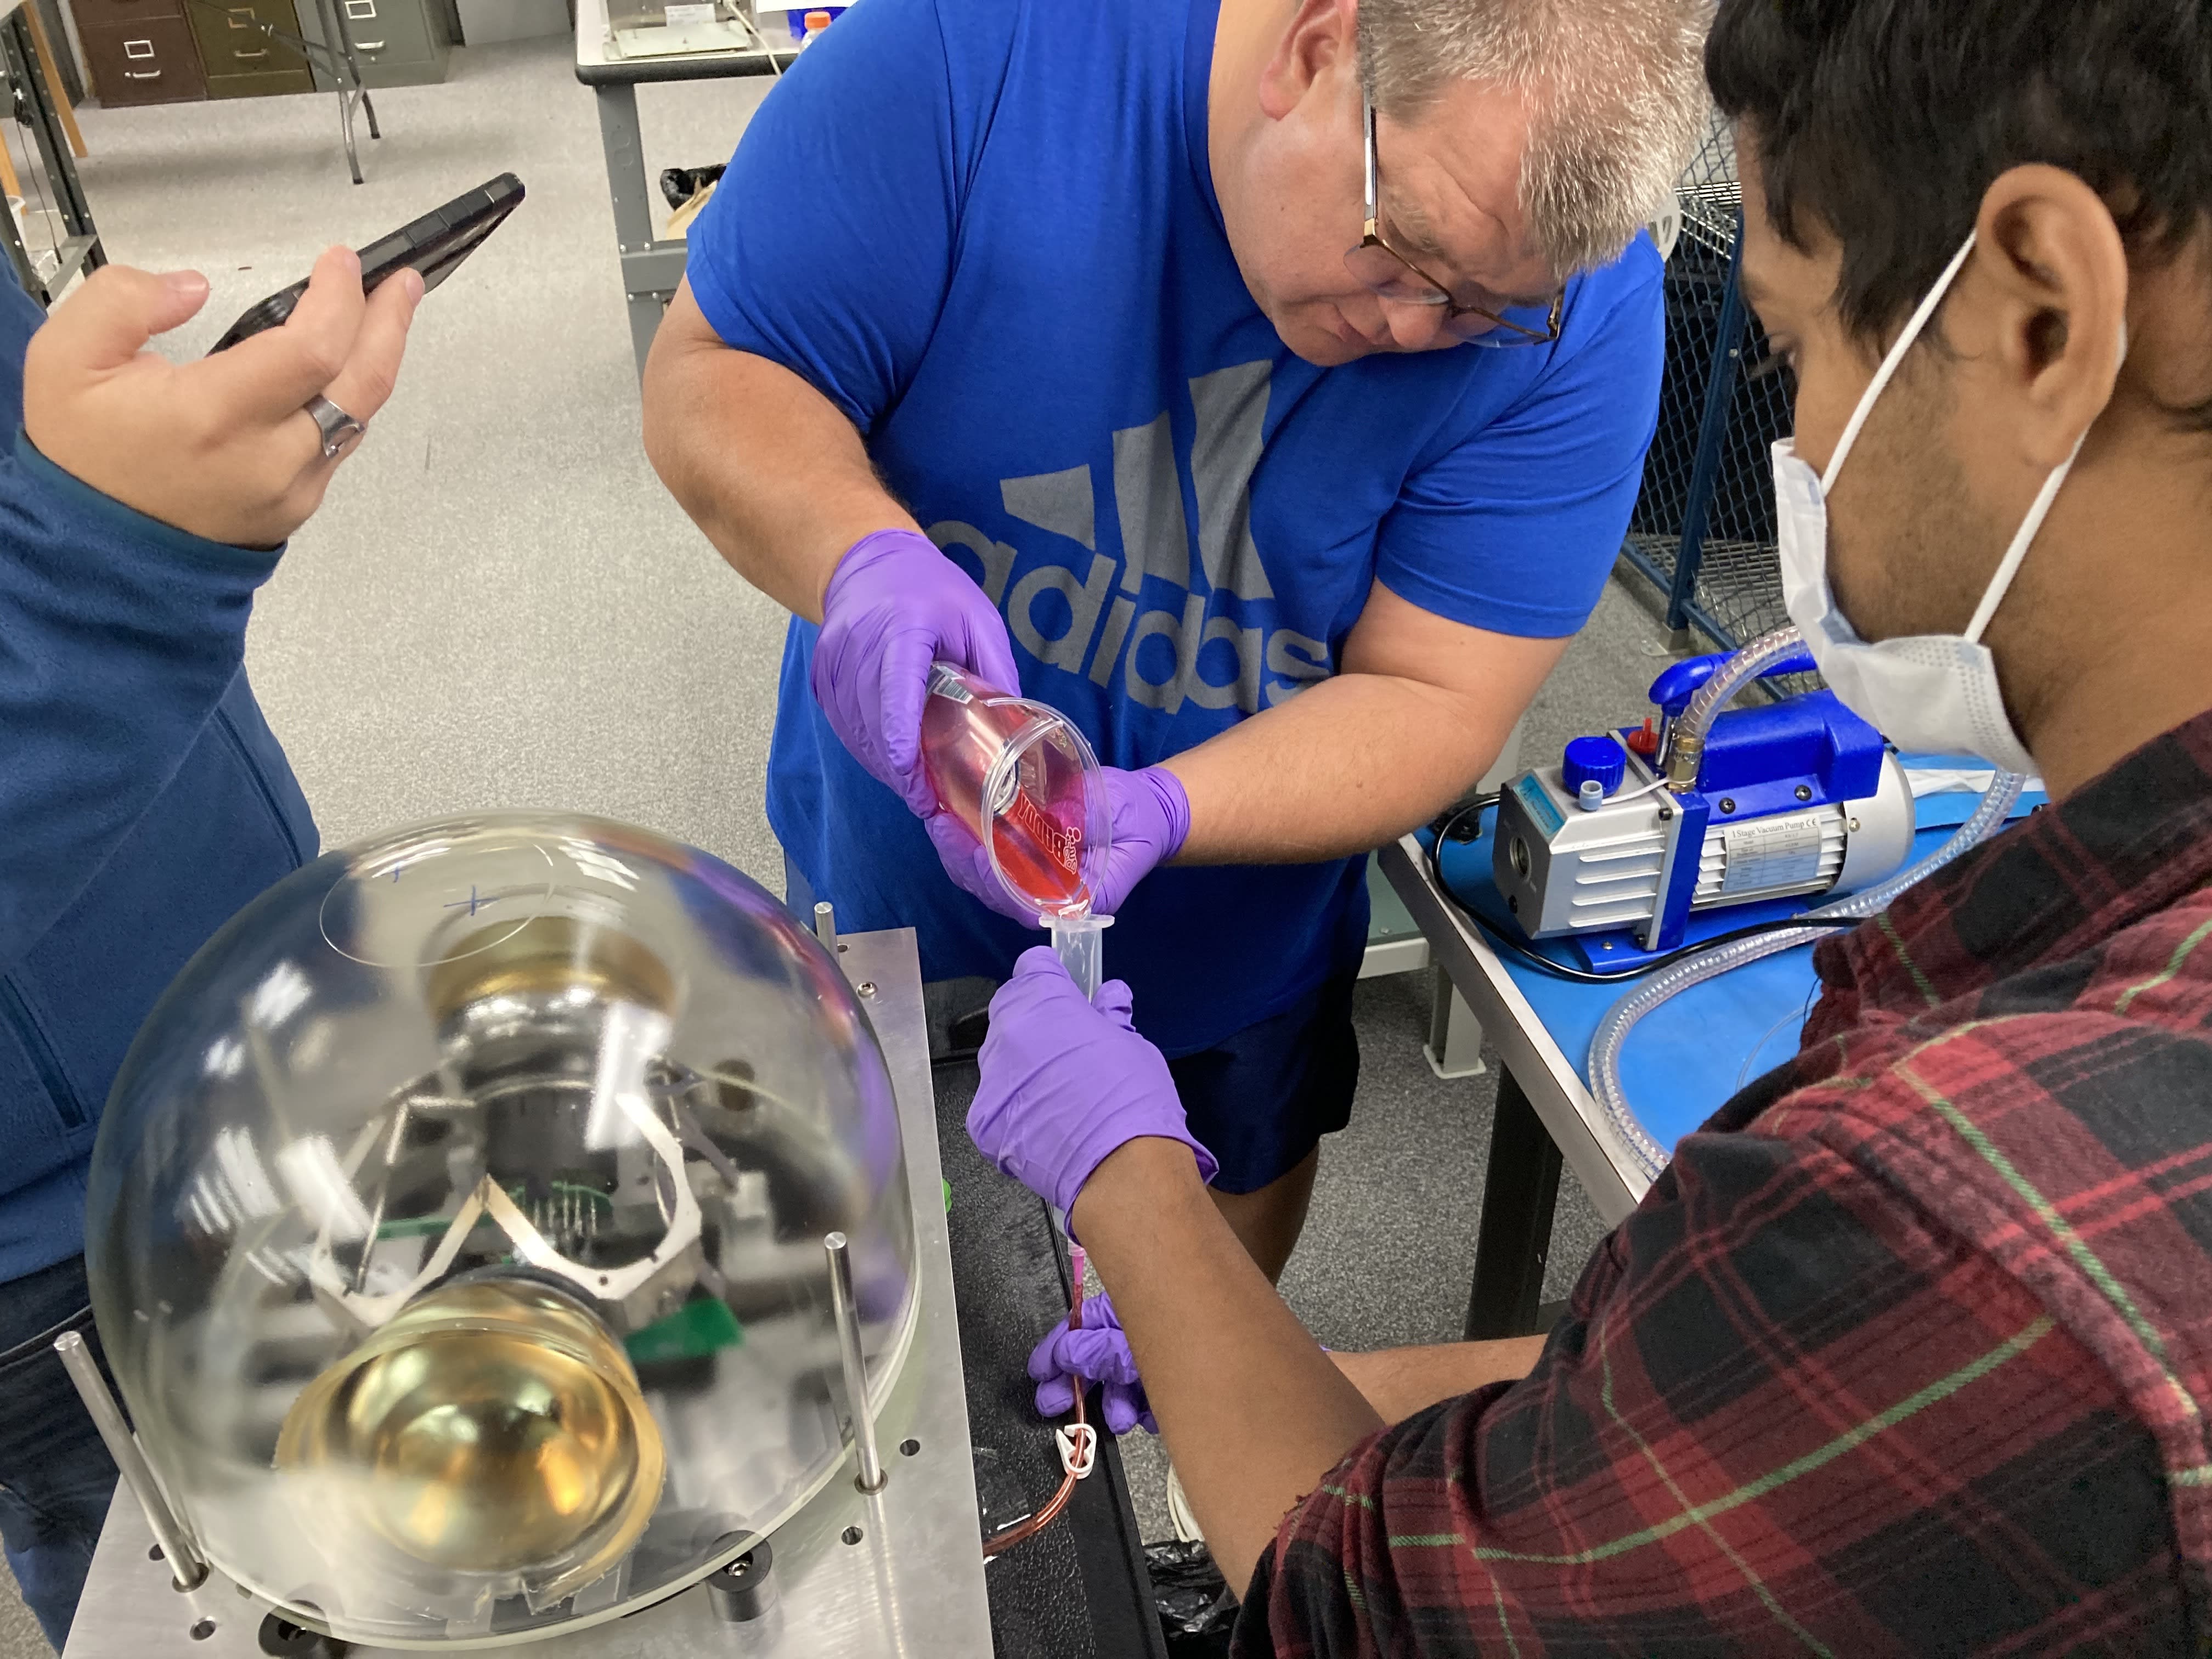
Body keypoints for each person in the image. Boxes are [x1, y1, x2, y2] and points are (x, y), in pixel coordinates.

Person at [967, 0, 2212, 1647]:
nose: (1799, 439)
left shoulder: (1979, 1215)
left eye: (1790, 343)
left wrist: (1127, 1184)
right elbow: (1762, 1421)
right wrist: (1275, 1368)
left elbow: (1371, 1615)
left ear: (2040, 310)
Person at [642, 0, 1709, 1285]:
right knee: (903, 1282)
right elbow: (718, 369)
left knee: (1175, 1342)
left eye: (1486, 311)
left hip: (1231, 953)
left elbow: (1435, 694)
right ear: (1318, 49)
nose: (1417, 333)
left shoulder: (1585, 319)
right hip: (892, 910)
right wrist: (855, 555)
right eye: (1404, 252)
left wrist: (1163, 807)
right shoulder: (971, 55)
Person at [0, 253, 420, 1648]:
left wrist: (126, 476)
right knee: (215, 1606)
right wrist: (109, 585)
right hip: (65, 1228)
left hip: (266, 1005)